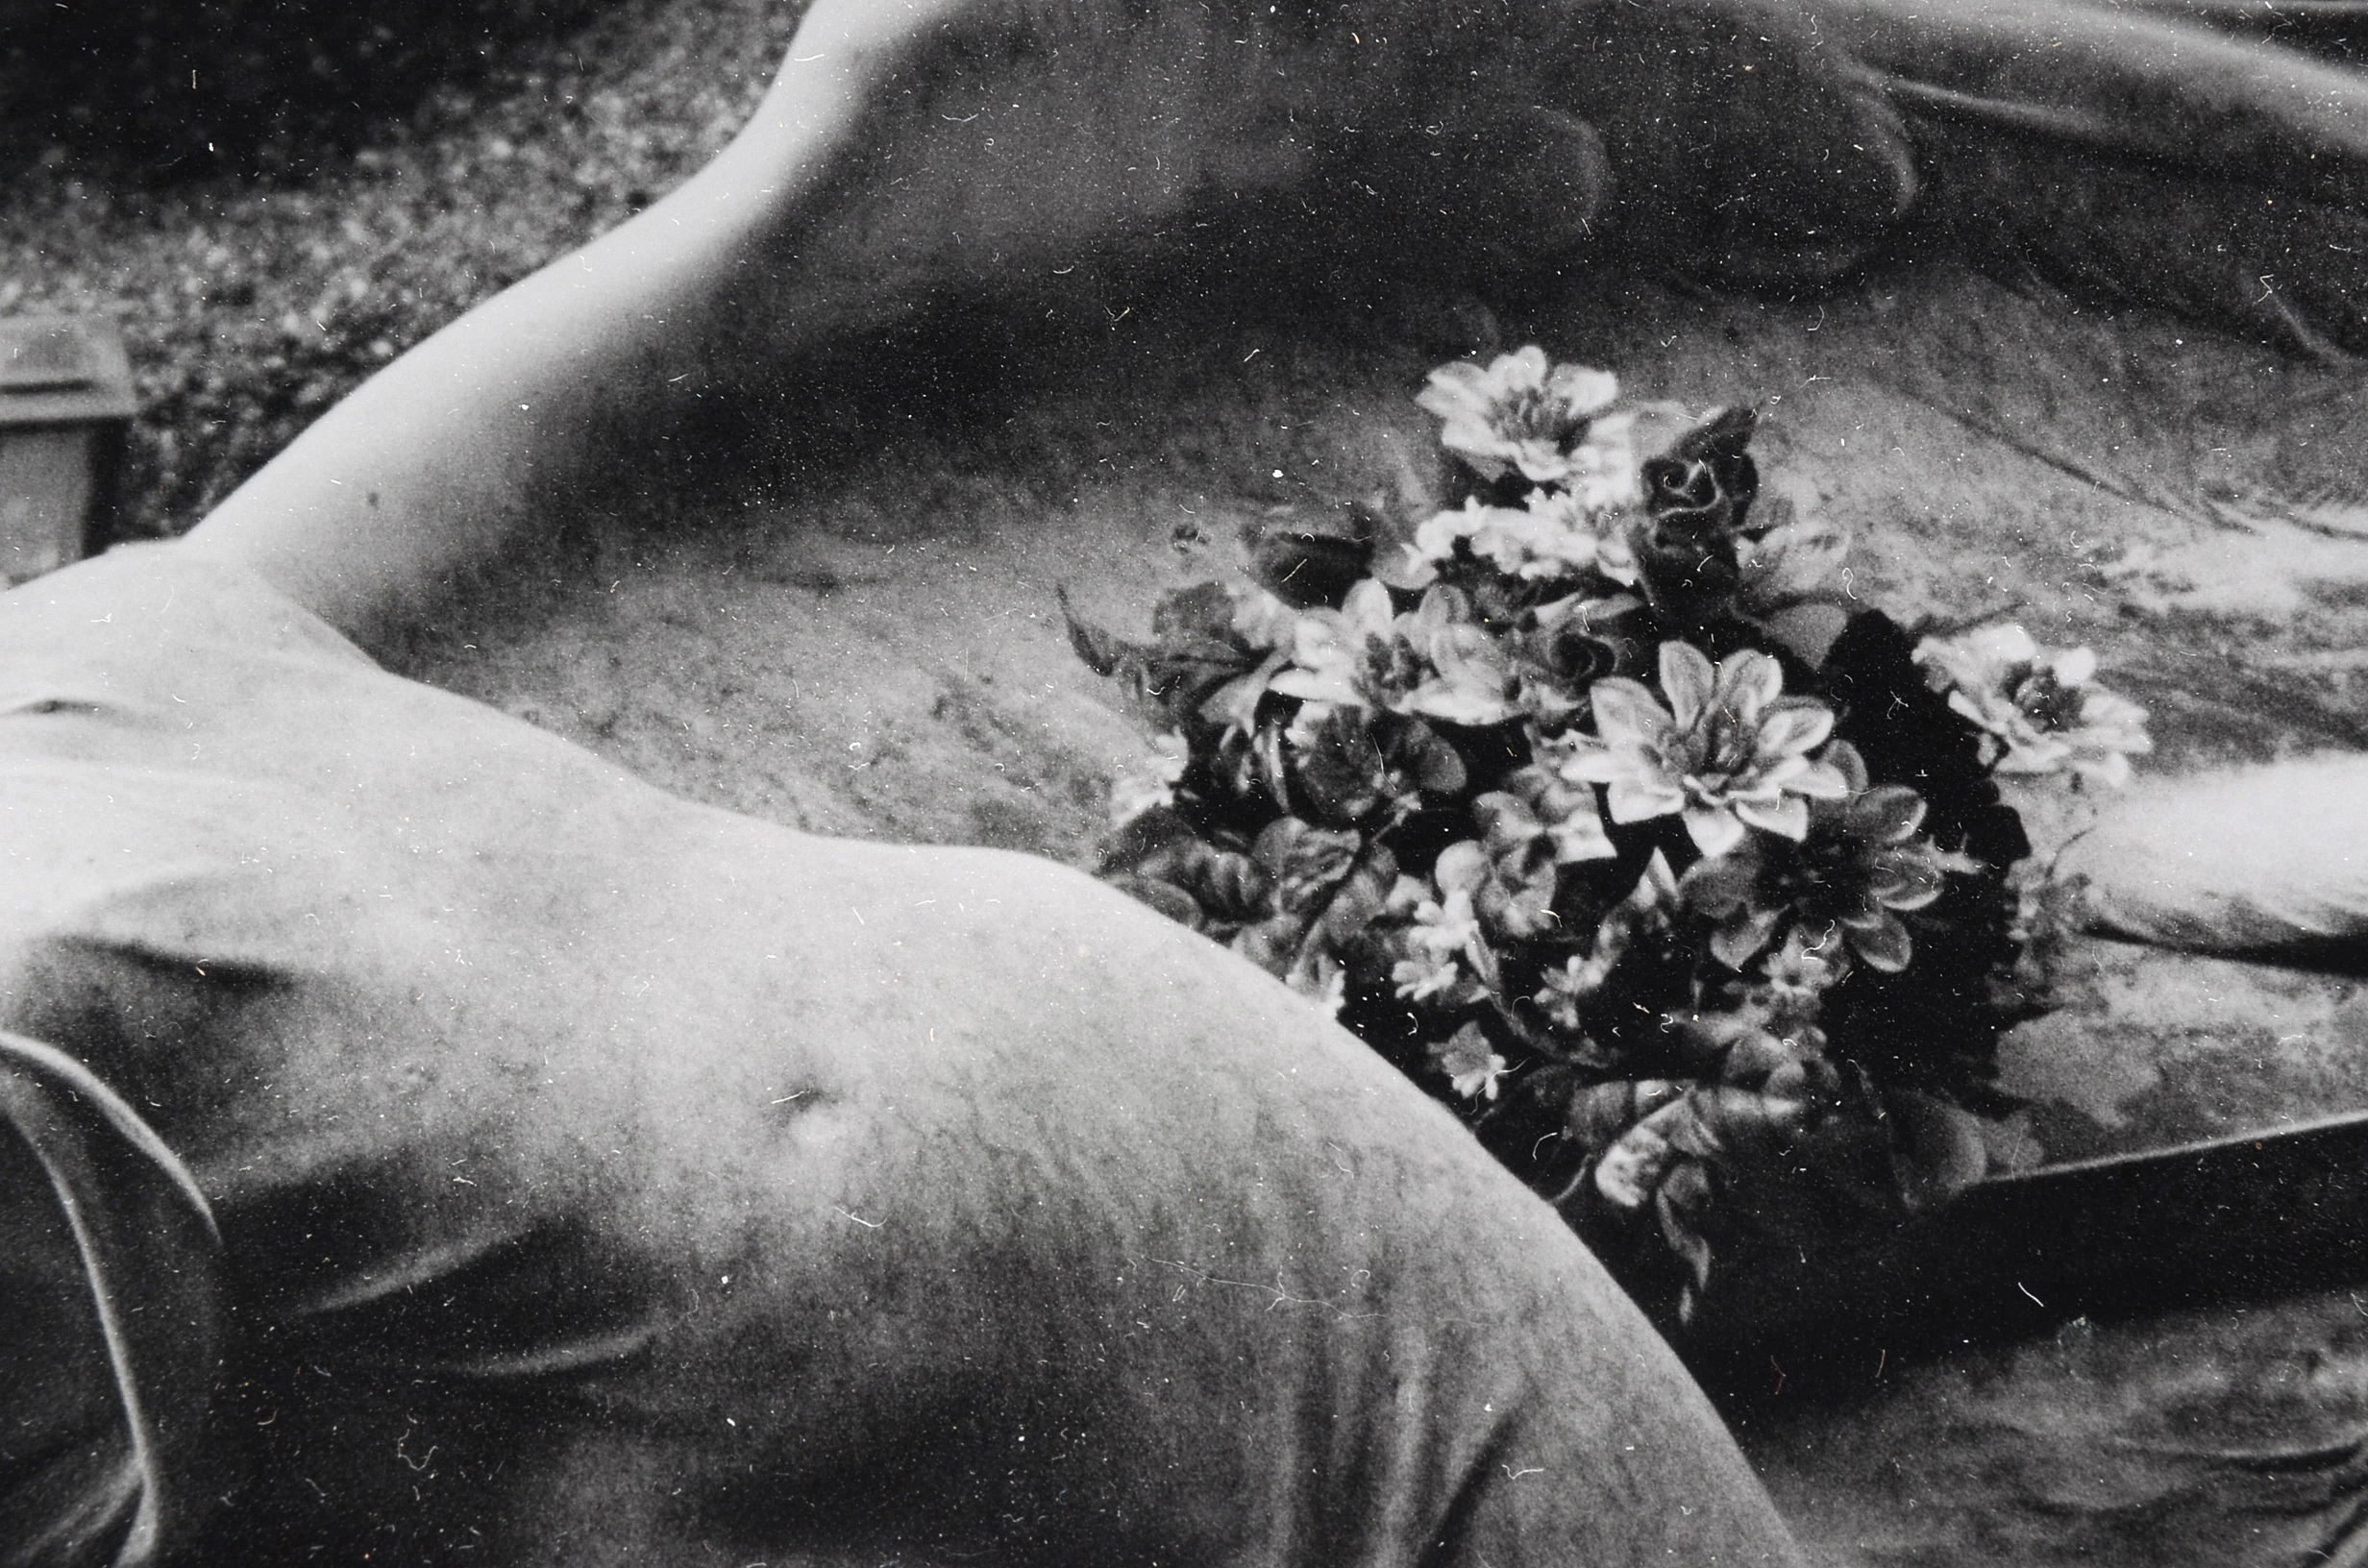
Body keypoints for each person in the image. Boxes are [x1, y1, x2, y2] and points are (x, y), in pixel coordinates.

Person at [10, 1, 2367, 1562]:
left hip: (1009, 1234)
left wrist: (822, 192)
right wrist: (807, 201)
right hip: (990, 1171)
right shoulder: (71, 726)